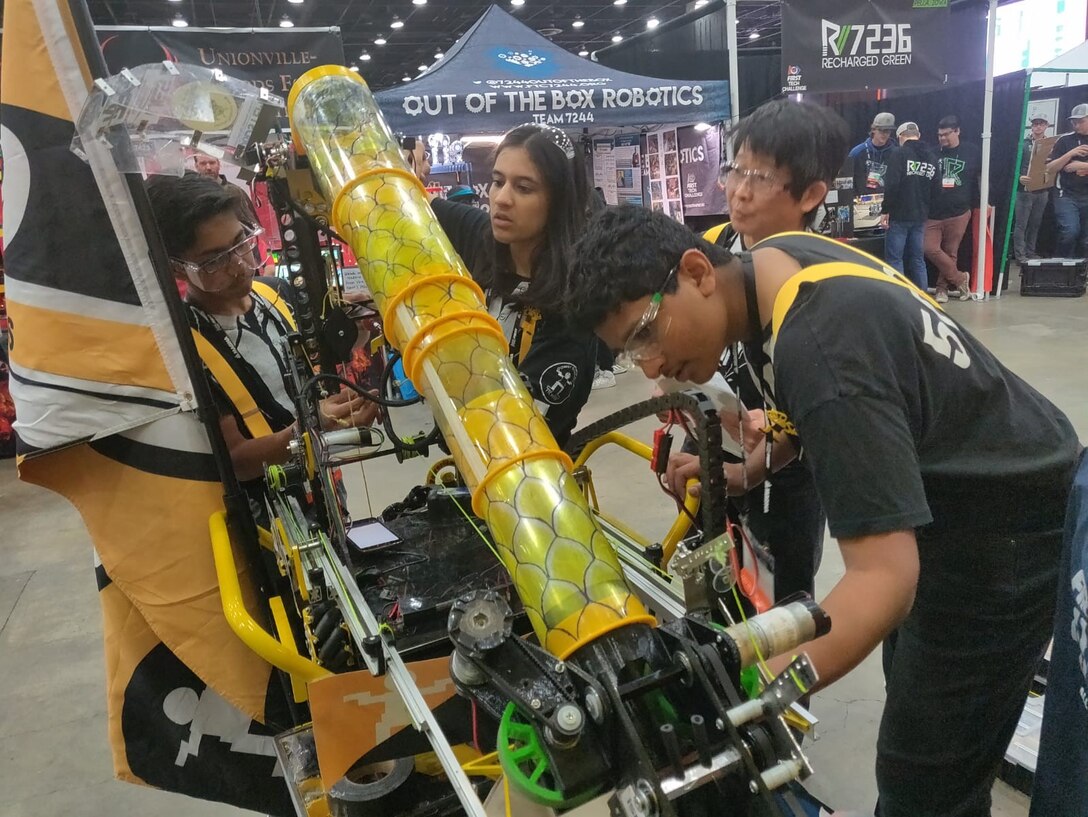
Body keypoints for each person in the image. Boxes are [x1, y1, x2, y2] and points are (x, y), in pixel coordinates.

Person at [564, 201, 1081, 817]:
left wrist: (750, 688)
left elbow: (885, 580)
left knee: (924, 776)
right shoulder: (773, 268)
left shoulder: (823, 343)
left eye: (646, 332)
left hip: (1004, 532)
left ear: (698, 271)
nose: (648, 365)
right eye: (627, 353)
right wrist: (745, 472)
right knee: (920, 703)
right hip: (969, 486)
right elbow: (801, 417)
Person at [671, 98, 839, 603]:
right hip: (710, 446)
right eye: (735, 170)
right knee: (710, 583)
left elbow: (816, 414)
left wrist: (757, 467)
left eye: (761, 178)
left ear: (810, 194)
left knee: (781, 598)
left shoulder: (820, 285)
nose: (739, 193)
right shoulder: (713, 244)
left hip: (787, 469)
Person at [146, 173, 377, 503]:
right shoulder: (187, 345)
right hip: (271, 516)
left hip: (324, 486)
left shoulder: (277, 293)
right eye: (215, 260)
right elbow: (237, 461)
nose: (240, 266)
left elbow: (317, 354)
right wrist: (312, 427)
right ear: (179, 269)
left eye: (241, 243)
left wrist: (355, 325)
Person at [430, 123, 597, 446]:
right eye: (497, 181)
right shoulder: (483, 238)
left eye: (524, 188)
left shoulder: (571, 307)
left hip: (525, 479)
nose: (501, 199)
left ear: (558, 201)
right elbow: (409, 208)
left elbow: (512, 434)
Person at [924, 115, 981, 303]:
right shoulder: (932, 153)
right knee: (929, 248)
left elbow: (980, 180)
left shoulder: (972, 152)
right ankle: (960, 279)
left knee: (951, 252)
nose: (942, 139)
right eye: (939, 135)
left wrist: (984, 202)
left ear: (957, 131)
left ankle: (942, 289)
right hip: (933, 212)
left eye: (946, 134)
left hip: (959, 211)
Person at [880, 122, 939, 291]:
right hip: (921, 216)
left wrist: (885, 210)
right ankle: (923, 297)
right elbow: (937, 188)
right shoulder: (931, 157)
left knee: (894, 259)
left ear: (901, 137)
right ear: (918, 136)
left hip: (899, 215)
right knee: (917, 259)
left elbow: (892, 185)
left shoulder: (899, 154)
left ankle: (900, 296)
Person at [1046, 103, 1088, 258]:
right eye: (1074, 122)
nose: (1076, 125)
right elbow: (1050, 167)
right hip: (1066, 194)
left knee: (1086, 240)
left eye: (1081, 121)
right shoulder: (1065, 141)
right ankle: (1062, 266)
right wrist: (1070, 154)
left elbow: (1075, 167)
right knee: (1070, 231)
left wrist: (1082, 165)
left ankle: (1080, 274)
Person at [1013, 116, 1052, 264]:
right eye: (1035, 124)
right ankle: (1020, 255)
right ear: (1031, 126)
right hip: (1024, 189)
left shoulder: (1050, 144)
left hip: (1042, 189)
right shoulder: (1023, 144)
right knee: (1021, 224)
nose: (1038, 127)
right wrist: (1019, 177)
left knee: (1035, 223)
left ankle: (1031, 251)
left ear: (1046, 126)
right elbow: (1013, 166)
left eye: (1041, 124)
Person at [847, 112, 897, 197]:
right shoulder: (857, 153)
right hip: (862, 203)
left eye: (888, 131)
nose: (885, 134)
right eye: (882, 130)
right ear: (873, 129)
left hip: (888, 203)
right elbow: (848, 179)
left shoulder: (896, 153)